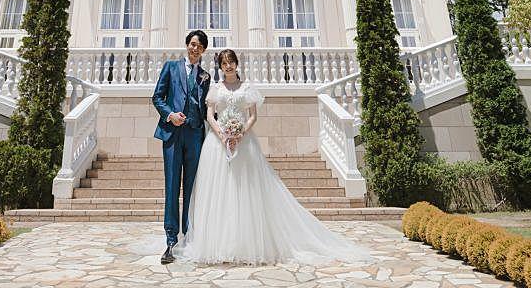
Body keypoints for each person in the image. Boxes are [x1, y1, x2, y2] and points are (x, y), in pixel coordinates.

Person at [174, 48, 371, 265]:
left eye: (231, 62)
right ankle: (219, 243)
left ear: (236, 64)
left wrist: (240, 133)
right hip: (217, 144)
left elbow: (252, 116)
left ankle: (245, 243)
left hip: (244, 143)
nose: (228, 66)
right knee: (219, 191)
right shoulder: (215, 89)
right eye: (224, 63)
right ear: (220, 67)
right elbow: (210, 115)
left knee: (245, 190)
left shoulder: (247, 88)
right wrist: (222, 134)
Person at [151, 28, 210, 264]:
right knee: (172, 186)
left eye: (200, 46)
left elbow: (208, 108)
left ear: (203, 51)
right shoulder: (171, 67)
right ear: (187, 45)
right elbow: (157, 97)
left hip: (195, 135)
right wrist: (170, 115)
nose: (195, 48)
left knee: (192, 189)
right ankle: (170, 241)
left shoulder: (205, 76)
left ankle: (189, 235)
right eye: (193, 44)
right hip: (173, 134)